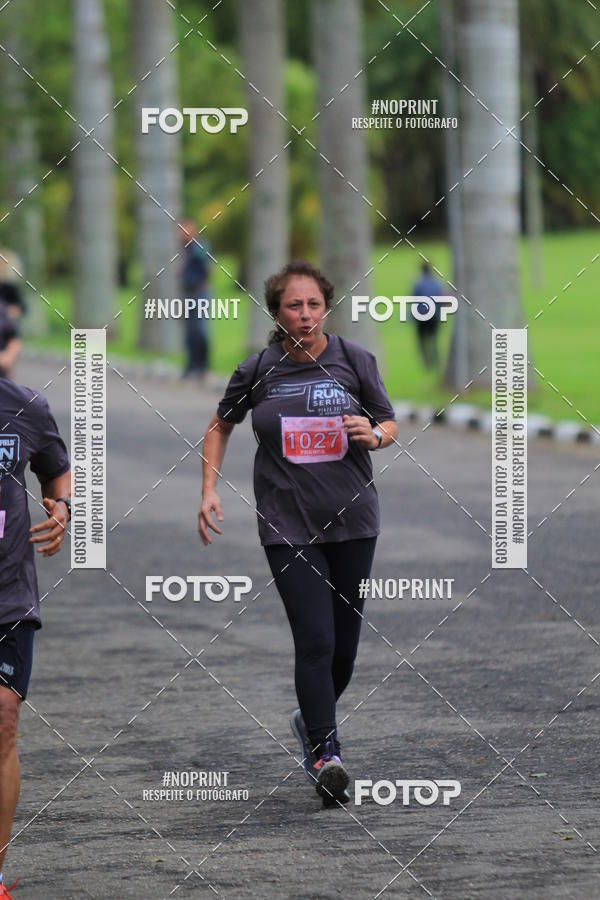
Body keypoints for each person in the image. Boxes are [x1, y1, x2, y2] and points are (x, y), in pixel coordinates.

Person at [198, 260, 397, 807]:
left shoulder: (354, 359)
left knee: (344, 653)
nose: (304, 314)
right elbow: (220, 426)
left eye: (313, 304)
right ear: (277, 312)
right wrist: (209, 489)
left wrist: (374, 435)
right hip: (288, 525)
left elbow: (388, 420)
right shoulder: (259, 370)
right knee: (315, 641)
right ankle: (326, 754)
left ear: (325, 307)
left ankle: (310, 718)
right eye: (293, 305)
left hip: (354, 522)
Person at [0, 378, 70, 897]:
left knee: (3, 724)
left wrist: (61, 507)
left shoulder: (24, 405)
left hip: (8, 591)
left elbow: (56, 469)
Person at [180, 220, 211, 379]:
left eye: (185, 228)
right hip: (188, 293)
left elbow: (207, 267)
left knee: (199, 330)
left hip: (199, 293)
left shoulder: (199, 246)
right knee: (190, 332)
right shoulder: (185, 249)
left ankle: (203, 366)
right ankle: (191, 365)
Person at [411, 261, 443, 369]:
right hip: (434, 316)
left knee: (422, 340)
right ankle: (436, 359)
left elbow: (414, 301)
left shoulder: (418, 283)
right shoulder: (437, 283)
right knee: (434, 338)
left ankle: (427, 361)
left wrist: (411, 317)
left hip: (422, 316)